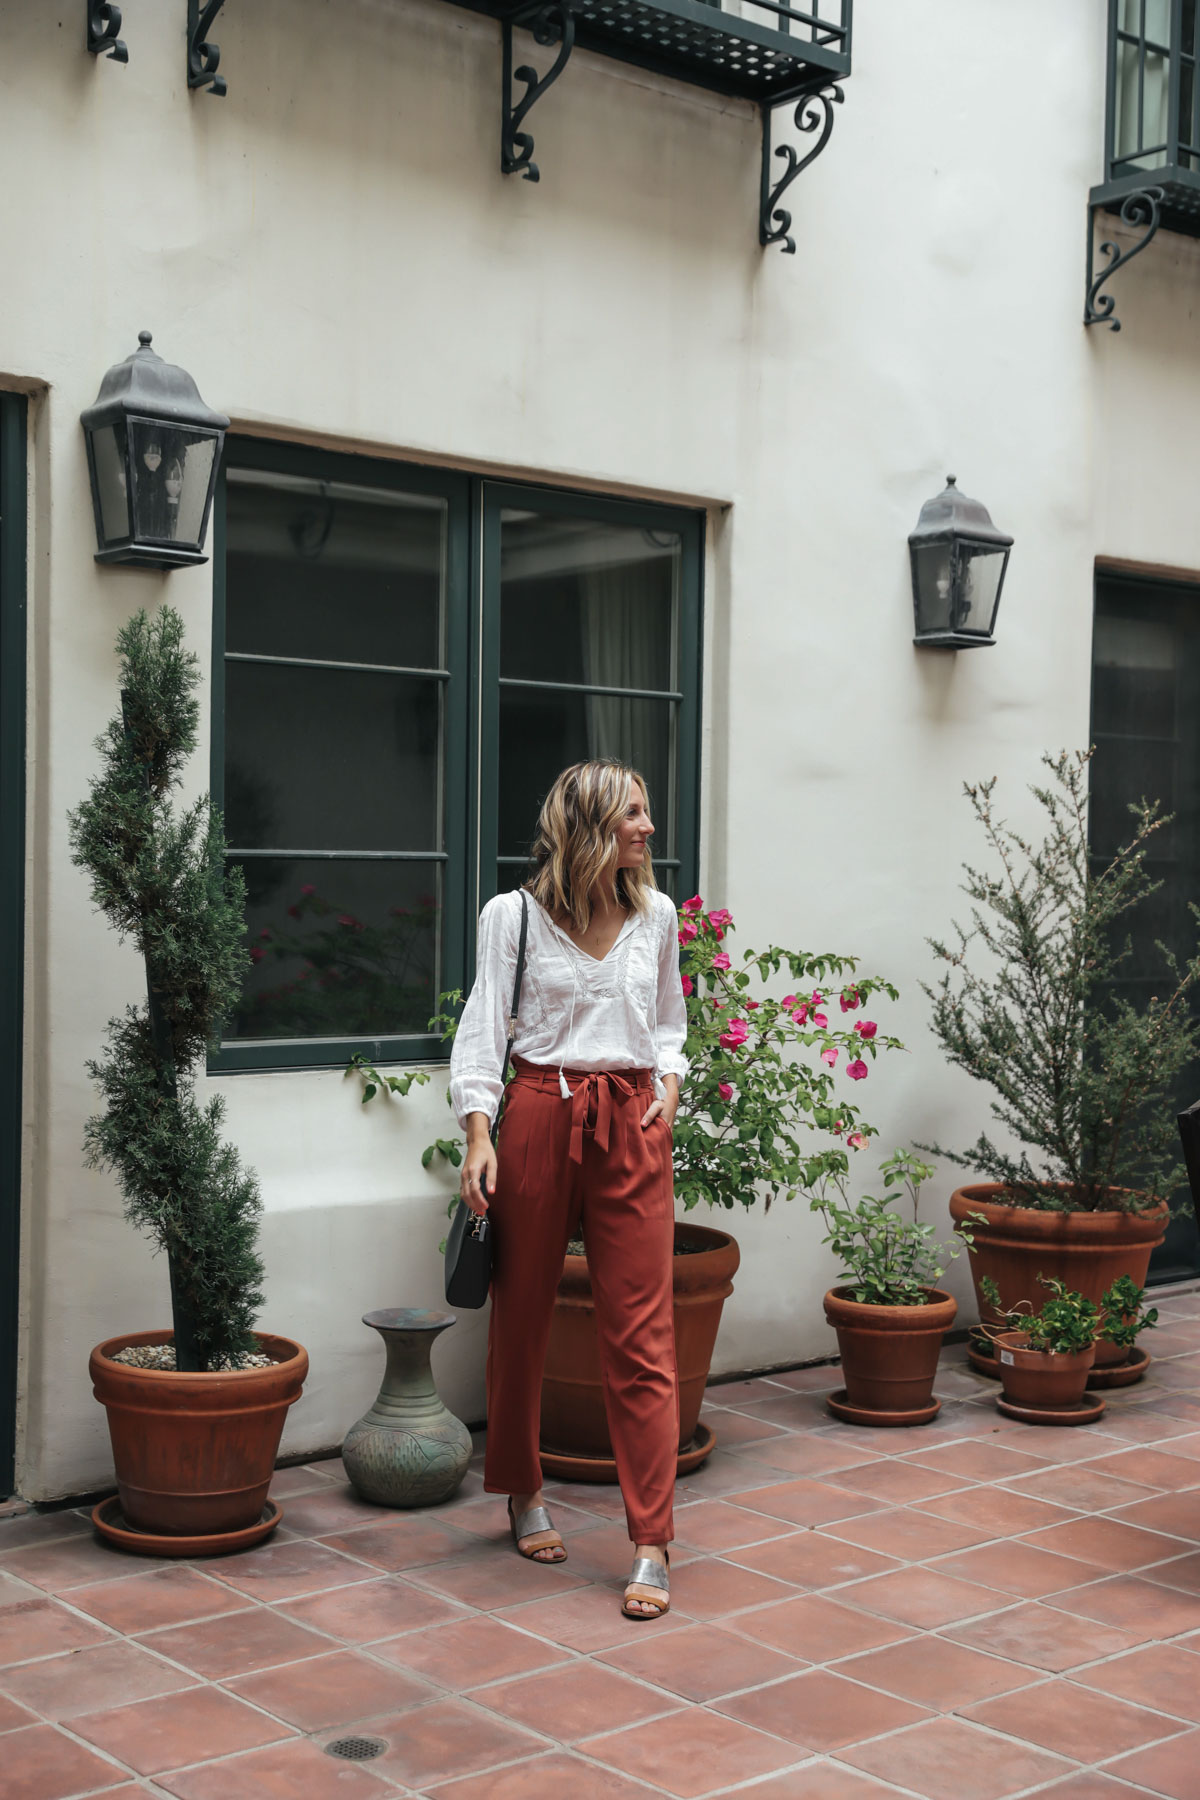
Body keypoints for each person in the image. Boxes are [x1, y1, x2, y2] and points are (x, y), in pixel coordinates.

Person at [449, 760, 687, 1619]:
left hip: (629, 1121)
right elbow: (484, 1024)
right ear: (588, 823)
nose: (648, 828)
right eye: (633, 812)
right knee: (522, 1319)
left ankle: (651, 1539)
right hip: (541, 1113)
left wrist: (668, 1088)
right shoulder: (511, 918)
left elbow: (668, 1022)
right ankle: (522, 1492)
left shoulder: (655, 915)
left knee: (643, 1332)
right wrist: (479, 1132)